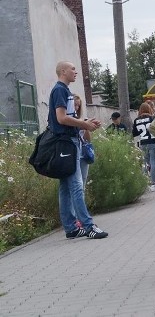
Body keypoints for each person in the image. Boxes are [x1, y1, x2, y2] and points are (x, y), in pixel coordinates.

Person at [49, 61, 108, 239]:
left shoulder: (64, 90)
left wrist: (85, 124)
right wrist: (84, 124)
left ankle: (71, 228)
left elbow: (68, 117)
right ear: (63, 71)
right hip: (67, 143)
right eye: (73, 69)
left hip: (67, 142)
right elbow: (61, 118)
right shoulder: (60, 90)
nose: (76, 72)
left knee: (66, 187)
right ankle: (88, 226)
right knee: (76, 185)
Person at [132, 102, 155, 191]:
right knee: (153, 162)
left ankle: (145, 184)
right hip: (152, 142)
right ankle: (154, 183)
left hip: (143, 143)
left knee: (145, 163)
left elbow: (135, 133)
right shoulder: (152, 118)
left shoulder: (136, 120)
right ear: (149, 109)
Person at [73, 95, 92, 188]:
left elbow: (88, 140)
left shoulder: (81, 120)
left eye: (78, 106)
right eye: (75, 105)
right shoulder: (68, 121)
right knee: (75, 183)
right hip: (72, 155)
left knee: (83, 181)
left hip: (83, 154)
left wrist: (86, 128)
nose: (76, 108)